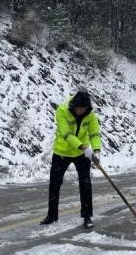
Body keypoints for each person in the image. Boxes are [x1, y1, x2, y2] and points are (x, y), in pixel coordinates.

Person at [40, 90, 101, 229]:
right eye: (78, 108)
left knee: (85, 184)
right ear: (73, 105)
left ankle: (87, 216)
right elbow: (66, 134)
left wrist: (96, 151)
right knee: (55, 184)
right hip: (62, 152)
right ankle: (51, 216)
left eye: (83, 109)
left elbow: (95, 133)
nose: (80, 111)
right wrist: (83, 147)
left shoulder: (90, 114)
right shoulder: (62, 110)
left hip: (82, 154)